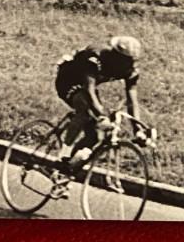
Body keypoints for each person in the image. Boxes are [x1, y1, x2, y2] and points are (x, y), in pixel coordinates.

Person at [54, 36, 145, 169]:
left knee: (96, 136)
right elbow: (89, 89)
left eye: (133, 61)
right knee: (85, 110)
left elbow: (132, 101)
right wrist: (103, 115)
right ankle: (64, 153)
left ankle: (67, 167)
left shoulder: (130, 70)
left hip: (87, 86)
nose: (130, 65)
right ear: (116, 57)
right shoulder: (96, 56)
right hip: (69, 80)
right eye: (127, 61)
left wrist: (138, 129)